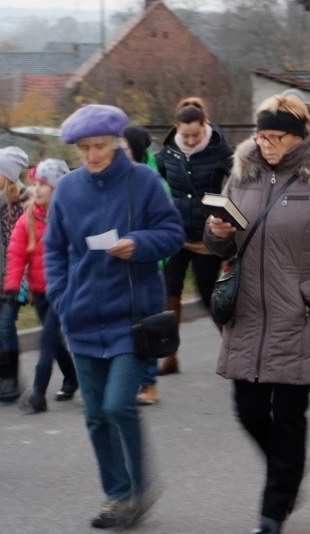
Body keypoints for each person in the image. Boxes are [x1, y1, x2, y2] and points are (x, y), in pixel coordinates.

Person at [205, 94, 310, 534]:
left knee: (289, 415)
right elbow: (224, 244)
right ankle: (288, 472)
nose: (266, 145)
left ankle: (272, 513)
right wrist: (217, 231)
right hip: (249, 314)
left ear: (299, 137)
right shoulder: (243, 173)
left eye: (276, 137)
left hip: (300, 315)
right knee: (249, 410)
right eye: (262, 136)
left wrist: (309, 295)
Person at [46, 104, 184, 529]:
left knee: (118, 405)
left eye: (99, 146)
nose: (91, 155)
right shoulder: (67, 189)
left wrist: (138, 244)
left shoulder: (143, 181)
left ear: (116, 143)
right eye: (84, 148)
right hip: (82, 319)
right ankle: (116, 496)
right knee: (94, 416)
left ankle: (138, 489)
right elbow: (54, 251)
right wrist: (62, 298)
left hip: (132, 319)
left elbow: (172, 234)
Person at [156, 96, 233, 376]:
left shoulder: (219, 149)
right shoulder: (168, 152)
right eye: (185, 135)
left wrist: (225, 208)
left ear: (204, 126)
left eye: (196, 135)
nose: (190, 140)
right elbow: (156, 181)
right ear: (177, 128)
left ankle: (234, 350)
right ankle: (169, 355)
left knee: (207, 292)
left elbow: (240, 179)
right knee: (169, 292)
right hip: (176, 234)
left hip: (206, 236)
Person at [4, 159, 77, 413]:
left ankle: (38, 395)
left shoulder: (70, 217)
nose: (36, 189)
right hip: (39, 291)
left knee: (46, 340)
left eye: (42, 184)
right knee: (54, 341)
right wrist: (12, 286)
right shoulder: (28, 218)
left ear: (57, 188)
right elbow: (16, 254)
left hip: (63, 290)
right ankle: (73, 378)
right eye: (34, 184)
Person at [122, 125, 172, 406]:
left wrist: (153, 258)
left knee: (147, 324)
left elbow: (168, 230)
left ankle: (149, 383)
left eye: (125, 148)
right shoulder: (118, 178)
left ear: (137, 150)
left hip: (147, 266)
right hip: (120, 265)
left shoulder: (154, 182)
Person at [0, 146, 30, 403]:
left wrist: (22, 282)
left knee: (5, 326)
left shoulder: (21, 203)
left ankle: (11, 380)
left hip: (14, 278)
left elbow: (22, 245)